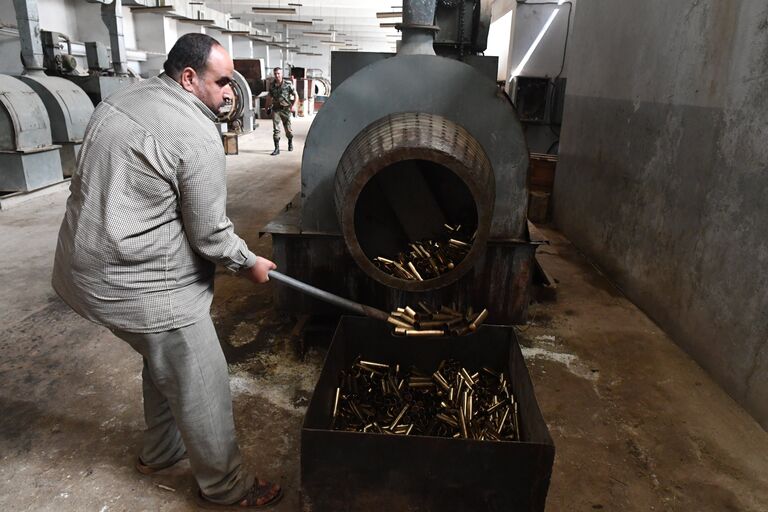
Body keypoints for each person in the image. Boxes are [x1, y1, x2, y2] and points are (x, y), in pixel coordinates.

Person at [51, 33, 282, 510]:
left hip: (84, 267)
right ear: (189, 77)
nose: (229, 94)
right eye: (221, 83)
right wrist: (250, 263)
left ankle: (161, 452)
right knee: (203, 381)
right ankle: (226, 486)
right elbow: (211, 235)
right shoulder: (194, 135)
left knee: (163, 362)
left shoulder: (125, 96)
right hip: (141, 283)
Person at [268, 67, 297, 156]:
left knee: (288, 130)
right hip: (276, 109)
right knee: (276, 130)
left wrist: (294, 106)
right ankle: (277, 149)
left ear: (282, 74)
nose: (277, 75)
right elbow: (269, 97)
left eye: (278, 73)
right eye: (275, 73)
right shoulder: (272, 85)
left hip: (286, 110)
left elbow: (296, 95)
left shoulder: (288, 84)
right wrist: (267, 107)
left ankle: (290, 141)